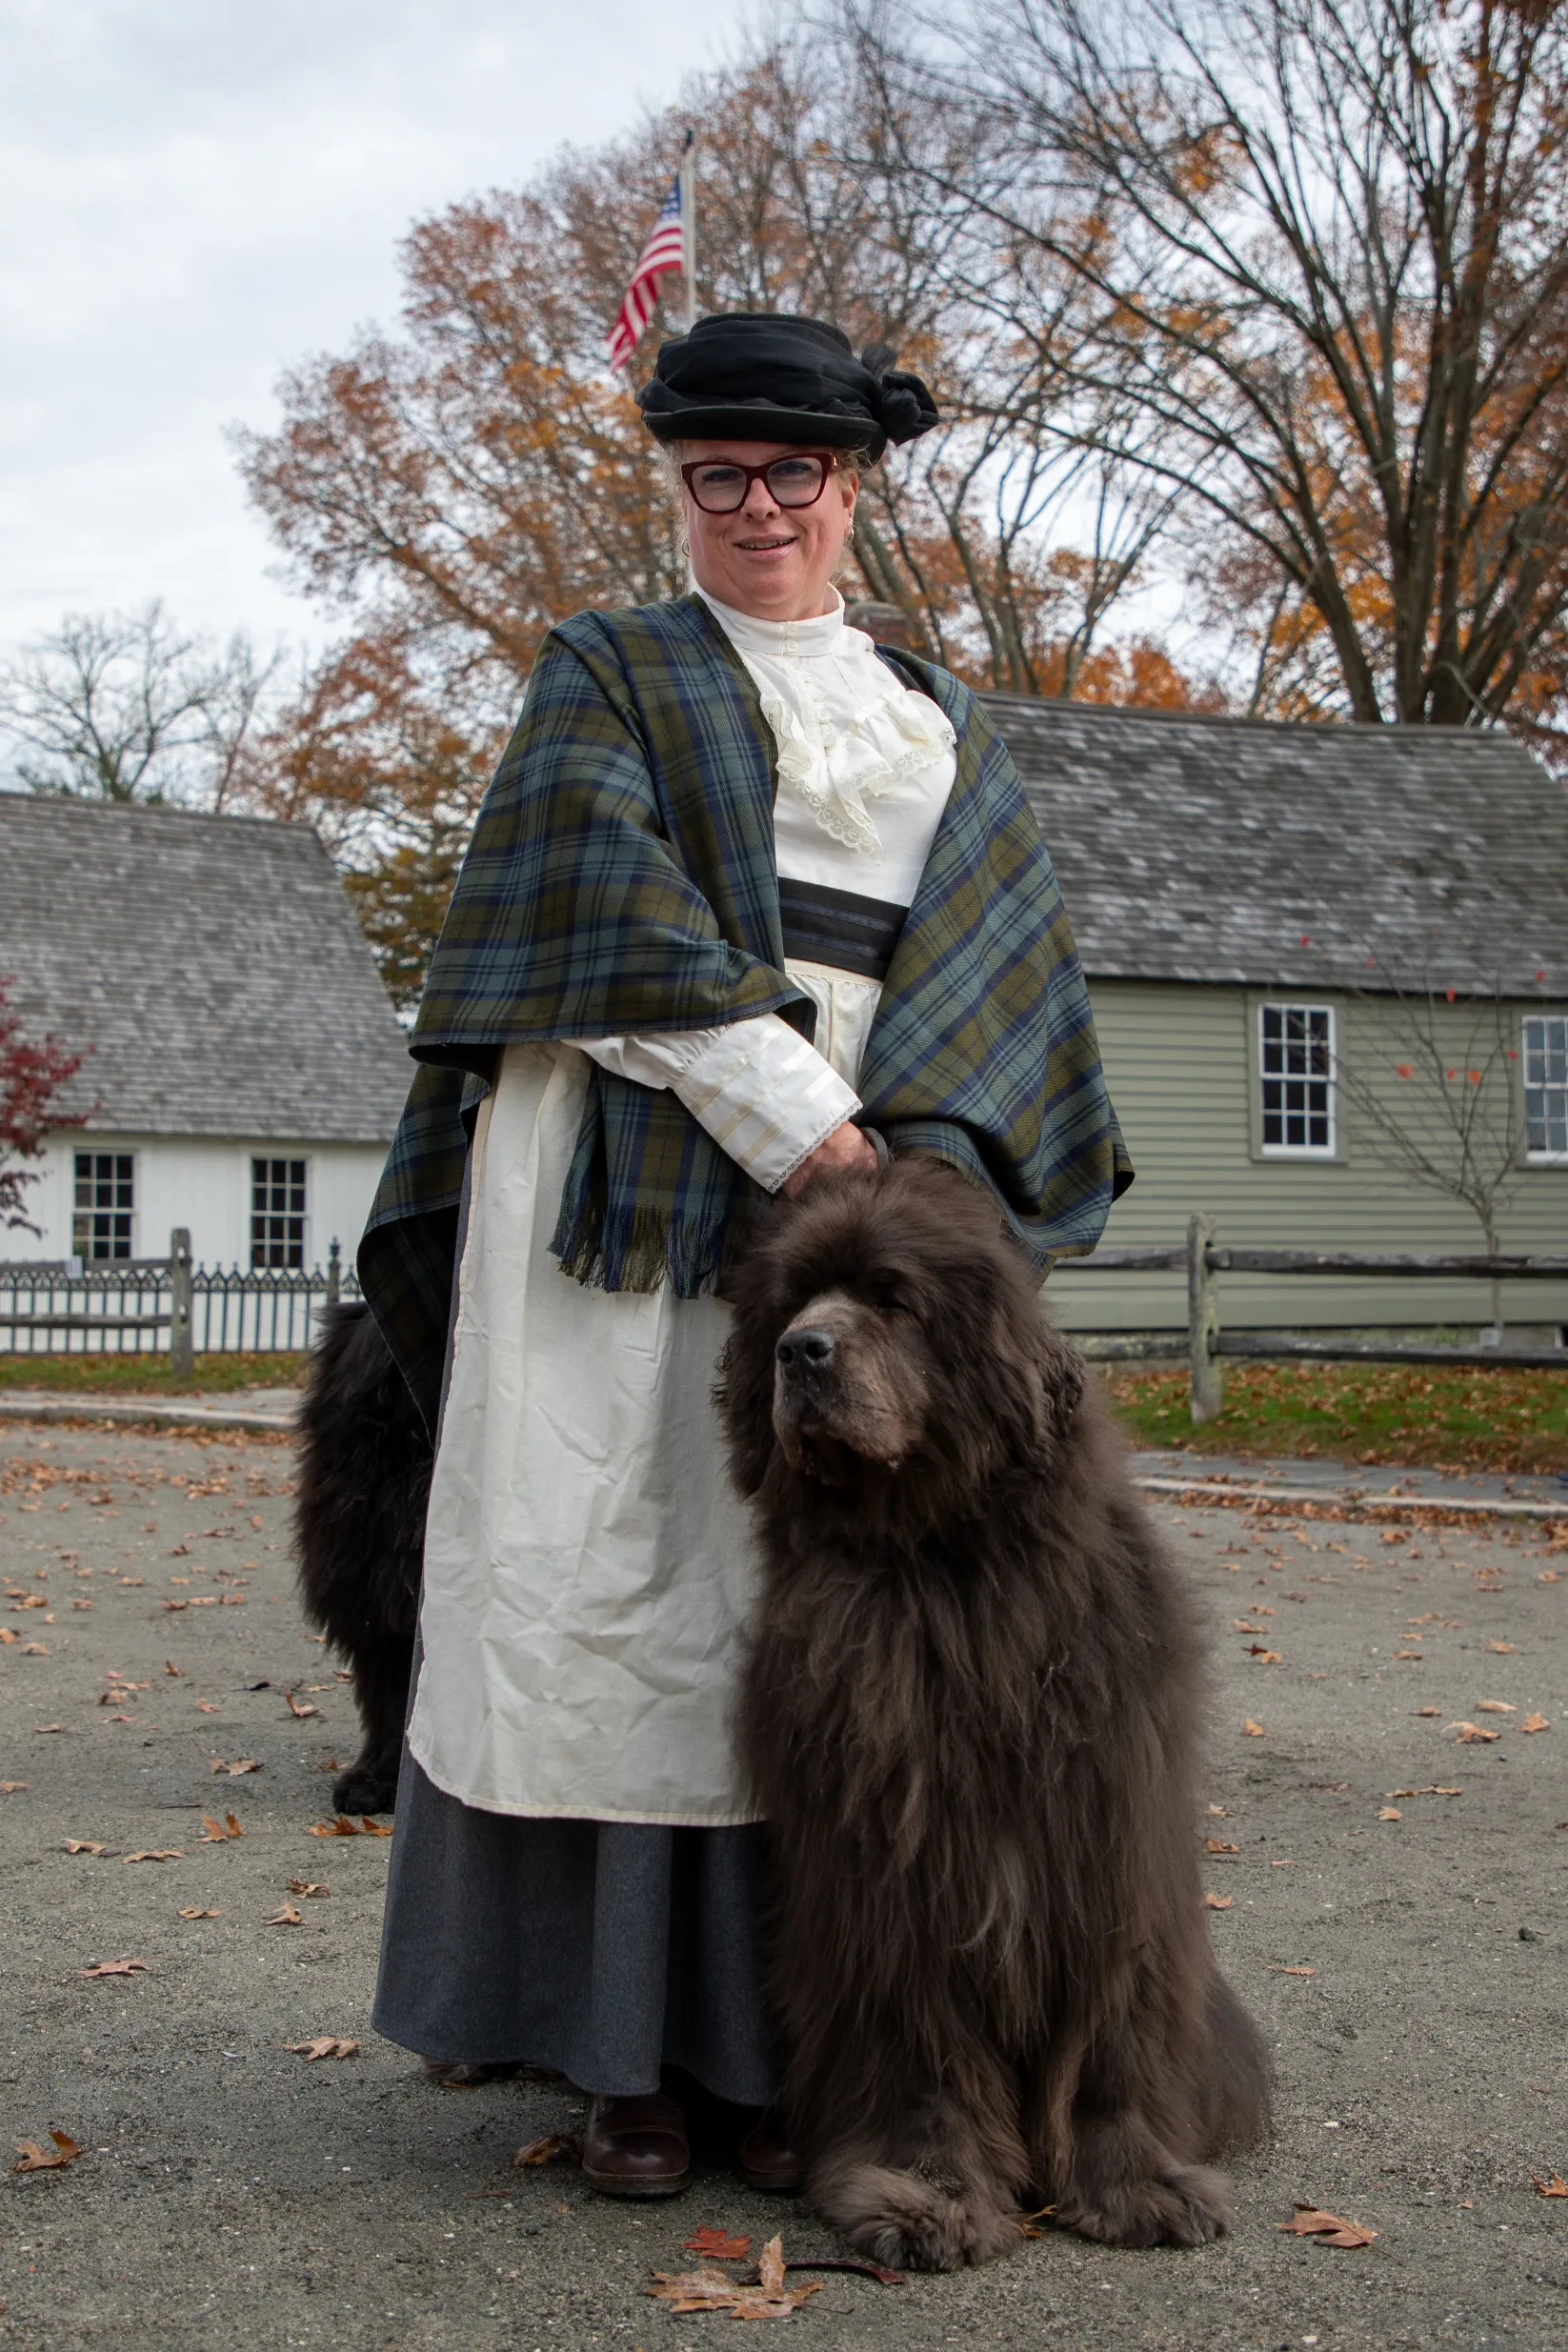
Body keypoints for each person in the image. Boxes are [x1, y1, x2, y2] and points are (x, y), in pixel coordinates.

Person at [359, 312, 1132, 2200]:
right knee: (621, 1571)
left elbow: (991, 960)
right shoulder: (607, 667)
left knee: (805, 1620)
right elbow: (601, 903)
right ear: (679, 488)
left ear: (850, 486)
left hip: (859, 1187)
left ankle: (793, 2044)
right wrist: (798, 1118)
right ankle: (625, 2053)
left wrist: (909, 1178)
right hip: (627, 1152)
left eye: (793, 471)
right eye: (720, 475)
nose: (758, 504)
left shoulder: (934, 711)